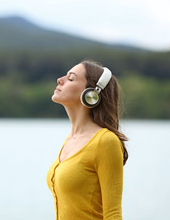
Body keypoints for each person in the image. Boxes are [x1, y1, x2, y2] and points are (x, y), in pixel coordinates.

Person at [46, 60, 128, 220]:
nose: (60, 80)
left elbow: (113, 214)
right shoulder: (69, 140)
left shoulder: (105, 141)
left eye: (71, 78)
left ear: (91, 94)